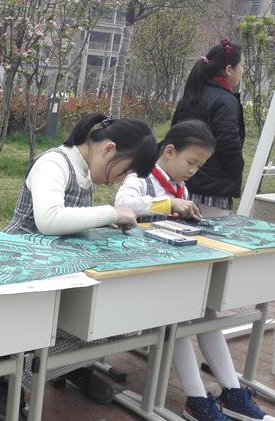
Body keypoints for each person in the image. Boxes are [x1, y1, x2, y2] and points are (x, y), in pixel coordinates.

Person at [0, 113, 158, 420]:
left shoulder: (84, 171)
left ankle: (69, 367)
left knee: (108, 320)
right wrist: (110, 213)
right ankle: (8, 386)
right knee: (84, 324)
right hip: (23, 271)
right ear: (108, 149)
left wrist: (100, 222)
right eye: (122, 171)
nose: (117, 180)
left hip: (57, 272)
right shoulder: (54, 163)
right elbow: (49, 219)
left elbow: (72, 220)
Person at [116, 120, 273, 421]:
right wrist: (168, 204)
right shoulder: (141, 177)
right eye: (190, 162)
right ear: (169, 151)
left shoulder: (180, 187)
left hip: (175, 272)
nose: (193, 171)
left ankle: (232, 391)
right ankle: (197, 399)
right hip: (143, 276)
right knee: (176, 318)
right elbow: (124, 204)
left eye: (199, 166)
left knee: (206, 316)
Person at [172, 39, 245, 218]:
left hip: (183, 183)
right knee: (210, 233)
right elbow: (229, 144)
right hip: (213, 189)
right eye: (241, 66)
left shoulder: (190, 96)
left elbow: (174, 135)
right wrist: (236, 172)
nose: (243, 70)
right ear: (229, 69)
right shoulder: (226, 101)